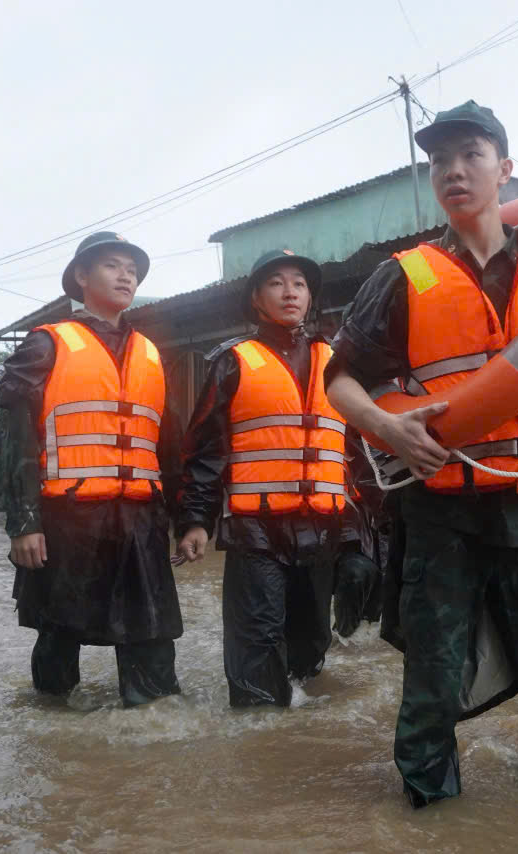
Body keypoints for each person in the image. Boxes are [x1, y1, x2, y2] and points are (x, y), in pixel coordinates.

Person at [324, 101, 518, 807]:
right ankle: (431, 805)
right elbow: (338, 380)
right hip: (444, 507)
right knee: (434, 673)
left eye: (470, 155)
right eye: (439, 161)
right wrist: (386, 424)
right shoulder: (403, 276)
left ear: (506, 168)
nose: (454, 171)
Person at [0, 231, 184, 707]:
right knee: (60, 634)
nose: (127, 276)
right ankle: (50, 731)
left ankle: (153, 730)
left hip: (141, 520)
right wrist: (24, 523)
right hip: (69, 519)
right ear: (81, 277)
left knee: (151, 634)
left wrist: (190, 521)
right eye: (113, 266)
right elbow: (18, 440)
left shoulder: (150, 352)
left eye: (133, 270)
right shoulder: (46, 345)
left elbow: (170, 444)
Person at [176, 249, 348, 708]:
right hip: (256, 529)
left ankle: (298, 735)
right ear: (256, 298)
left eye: (299, 283)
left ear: (311, 297)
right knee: (259, 636)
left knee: (311, 643)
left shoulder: (338, 362)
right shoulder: (232, 361)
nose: (289, 291)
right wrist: (196, 521)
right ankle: (259, 729)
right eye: (276, 282)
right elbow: (204, 450)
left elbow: (359, 451)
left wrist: (366, 535)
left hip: (322, 526)